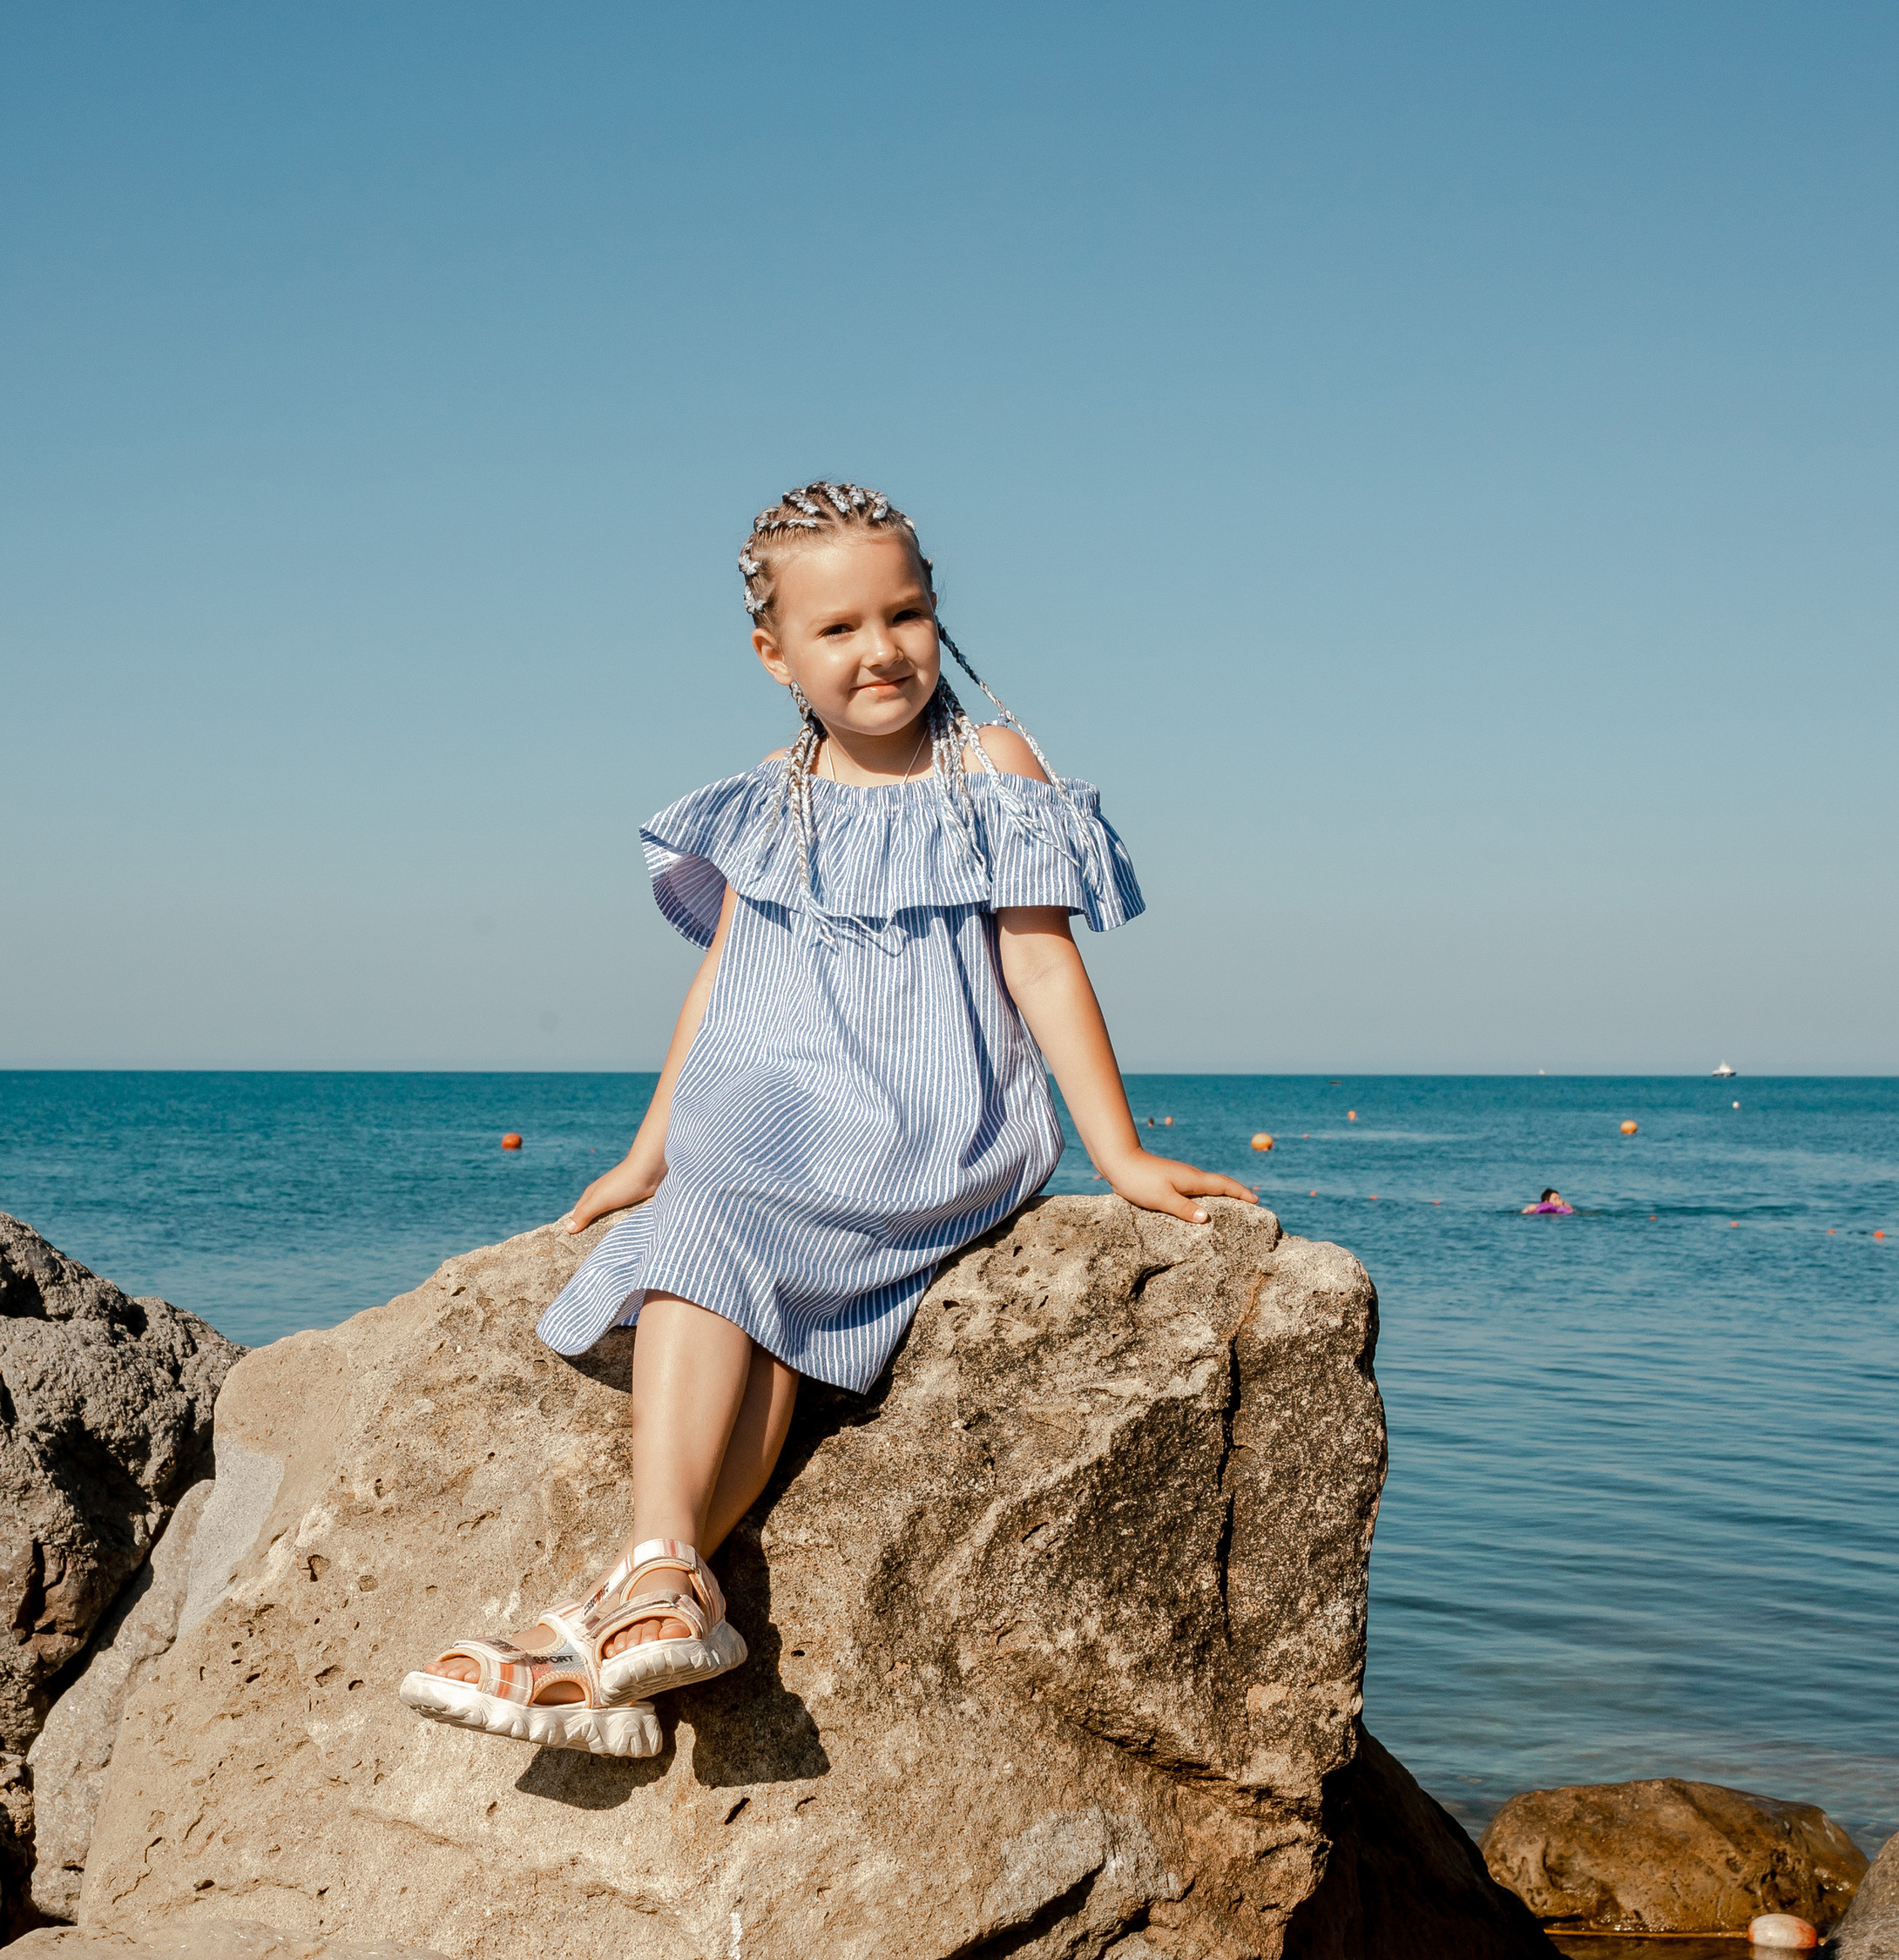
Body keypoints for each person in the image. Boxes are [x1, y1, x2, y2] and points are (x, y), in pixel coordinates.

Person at [400, 477, 1257, 1756]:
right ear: (776, 655)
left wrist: (1116, 1153)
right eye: (840, 629)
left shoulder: (989, 769)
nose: (881, 651)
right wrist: (646, 1152)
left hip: (928, 1114)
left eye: (904, 614)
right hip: (777, 1103)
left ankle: (623, 1596)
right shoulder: (770, 794)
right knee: (734, 1259)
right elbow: (720, 981)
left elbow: (1040, 964)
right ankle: (647, 1606)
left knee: (725, 1223)